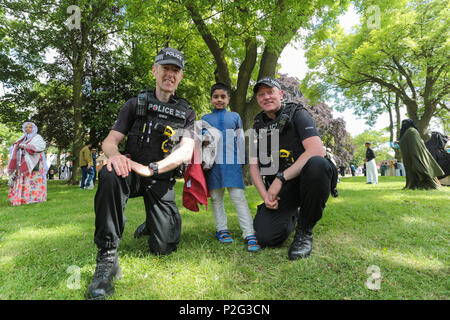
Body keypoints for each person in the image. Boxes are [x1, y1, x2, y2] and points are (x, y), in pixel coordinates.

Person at [86, 47, 196, 299]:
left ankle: (154, 220)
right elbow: (110, 140)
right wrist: (114, 156)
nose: (170, 74)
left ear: (180, 77)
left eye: (175, 70)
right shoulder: (135, 103)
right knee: (110, 173)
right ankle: (107, 258)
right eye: (165, 68)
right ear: (155, 71)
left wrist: (153, 168)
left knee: (164, 247)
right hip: (132, 173)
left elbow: (186, 151)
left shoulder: (187, 112)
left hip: (161, 177)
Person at [249, 77, 336, 260]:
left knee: (318, 164)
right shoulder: (258, 124)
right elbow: (254, 165)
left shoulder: (297, 113)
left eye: (270, 92)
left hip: (305, 178)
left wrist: (280, 178)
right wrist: (265, 196)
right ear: (257, 100)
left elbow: (316, 150)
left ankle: (305, 231)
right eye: (261, 94)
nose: (266, 97)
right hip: (284, 188)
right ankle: (293, 214)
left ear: (280, 94)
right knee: (266, 237)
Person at [201, 83, 260, 252]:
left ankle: (249, 233)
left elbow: (240, 140)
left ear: (228, 99)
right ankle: (222, 230)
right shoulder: (205, 118)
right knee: (216, 199)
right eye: (216, 97)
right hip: (212, 166)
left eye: (223, 97)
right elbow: (202, 141)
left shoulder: (235, 117)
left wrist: (242, 161)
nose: (219, 100)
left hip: (232, 164)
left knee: (238, 198)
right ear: (211, 99)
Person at [7, 122, 48, 206]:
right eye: (26, 127)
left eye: (30, 127)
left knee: (34, 180)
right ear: (24, 129)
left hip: (35, 163)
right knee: (24, 180)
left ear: (34, 128)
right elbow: (14, 148)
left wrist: (27, 146)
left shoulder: (37, 137)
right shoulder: (22, 138)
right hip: (22, 163)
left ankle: (35, 198)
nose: (28, 129)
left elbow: (41, 147)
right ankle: (23, 198)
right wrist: (15, 146)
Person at [398, 119, 444, 190]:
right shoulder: (412, 131)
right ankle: (427, 185)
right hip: (417, 155)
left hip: (410, 158)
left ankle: (416, 184)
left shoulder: (404, 134)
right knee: (422, 169)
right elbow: (417, 146)